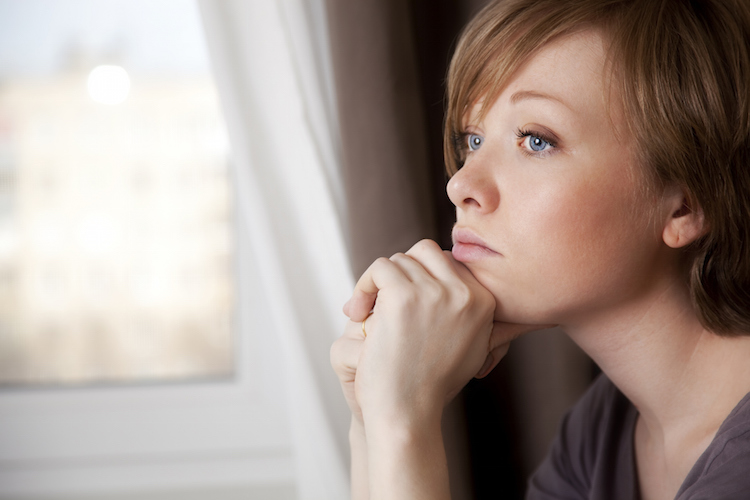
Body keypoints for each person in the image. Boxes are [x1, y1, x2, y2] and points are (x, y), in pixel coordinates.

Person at [330, 0, 750, 498]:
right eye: (474, 139)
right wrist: (370, 419)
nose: (461, 183)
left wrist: (403, 425)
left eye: (535, 140)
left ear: (686, 204)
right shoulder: (601, 432)